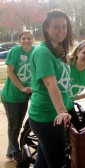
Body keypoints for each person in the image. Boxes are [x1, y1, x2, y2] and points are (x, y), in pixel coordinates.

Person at [28, 9, 74, 167]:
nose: (61, 31)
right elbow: (50, 84)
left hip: (51, 117)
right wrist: (62, 111)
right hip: (48, 118)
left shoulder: (57, 49)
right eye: (56, 27)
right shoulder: (43, 52)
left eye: (64, 26)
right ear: (46, 28)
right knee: (56, 163)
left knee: (42, 162)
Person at [1, 30, 34, 163]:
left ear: (33, 39)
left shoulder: (36, 51)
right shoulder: (15, 51)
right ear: (19, 40)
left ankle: (10, 151)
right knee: (14, 126)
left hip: (24, 96)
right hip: (11, 96)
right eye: (23, 38)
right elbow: (10, 72)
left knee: (18, 125)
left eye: (29, 38)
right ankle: (15, 151)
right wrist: (21, 87)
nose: (26, 41)